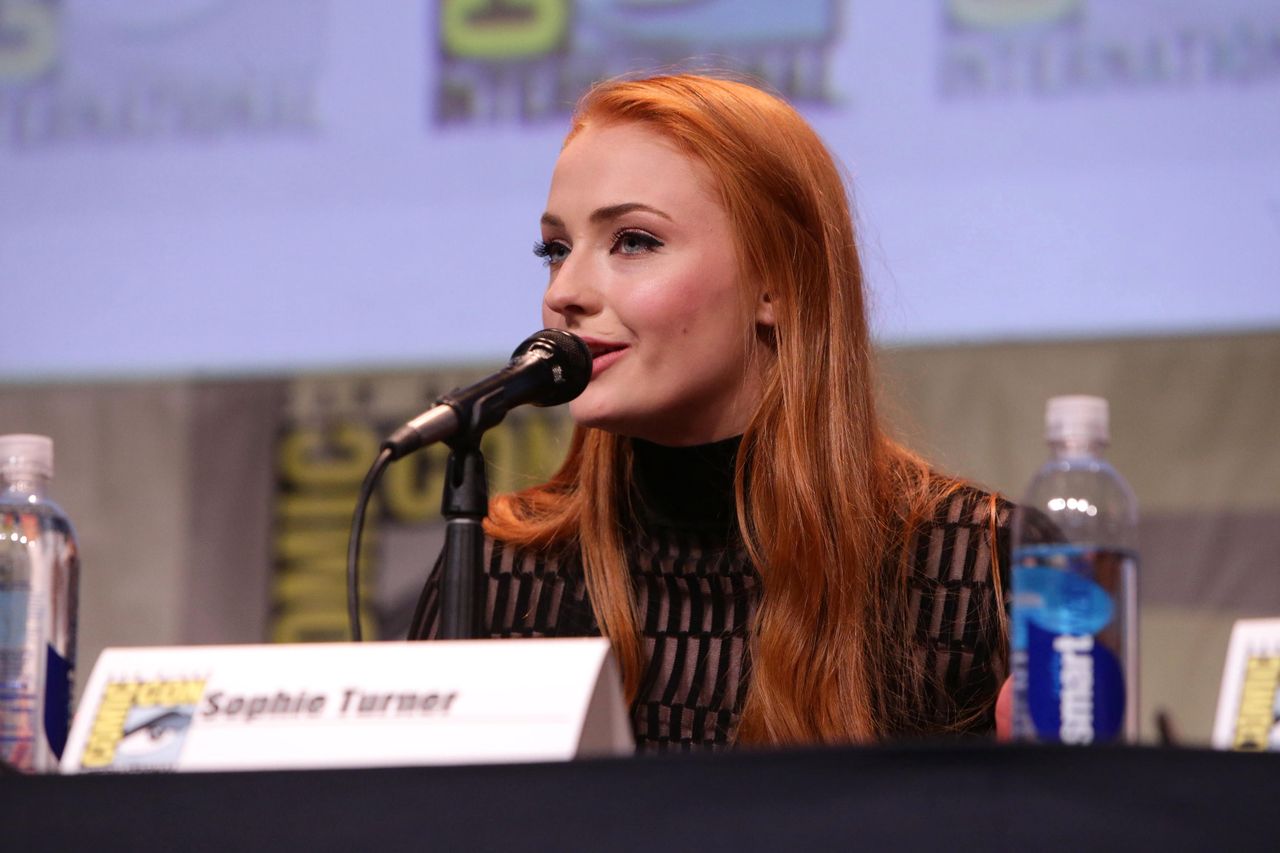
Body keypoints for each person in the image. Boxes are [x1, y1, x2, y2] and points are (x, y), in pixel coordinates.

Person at [416, 73, 1028, 751]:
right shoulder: (500, 569)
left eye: (633, 241)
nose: (566, 291)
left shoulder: (977, 567)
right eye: (555, 250)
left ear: (778, 282)